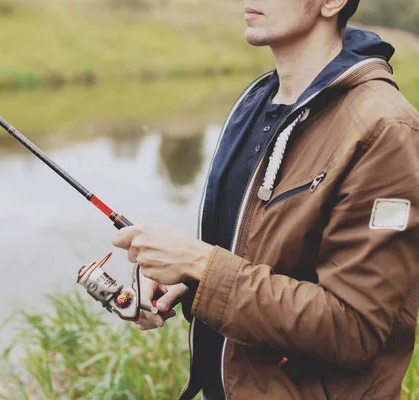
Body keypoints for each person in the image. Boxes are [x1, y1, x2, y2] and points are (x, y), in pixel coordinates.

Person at [112, 0, 419, 399]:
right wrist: (187, 280)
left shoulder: (384, 129)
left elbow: (354, 330)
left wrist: (203, 266)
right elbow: (268, 259)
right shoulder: (257, 102)